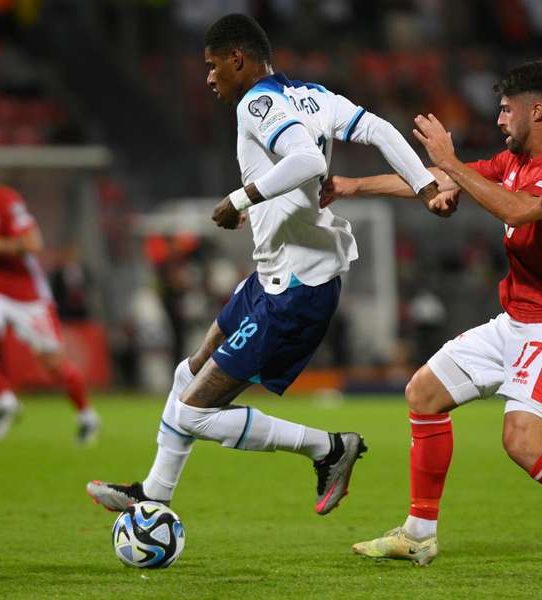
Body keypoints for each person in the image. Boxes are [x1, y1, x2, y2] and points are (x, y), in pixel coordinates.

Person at [86, 13, 445, 517]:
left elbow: (308, 161)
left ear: (238, 59)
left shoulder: (257, 103)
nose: (209, 77)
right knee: (183, 375)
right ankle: (155, 493)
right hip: (273, 276)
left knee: (193, 412)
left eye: (213, 66)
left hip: (294, 290)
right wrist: (424, 186)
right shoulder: (313, 94)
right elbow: (383, 130)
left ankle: (329, 448)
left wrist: (238, 199)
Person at [323, 60, 542, 579]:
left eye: (506, 110)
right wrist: (350, 186)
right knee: (423, 393)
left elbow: (518, 211)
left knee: (522, 442)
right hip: (517, 318)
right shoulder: (514, 160)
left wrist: (454, 165)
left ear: (537, 110)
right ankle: (418, 535)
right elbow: (433, 178)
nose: (499, 119)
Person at [0, 151, 100, 444]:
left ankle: (87, 416)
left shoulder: (7, 201)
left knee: (53, 364)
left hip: (26, 294)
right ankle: (6, 401)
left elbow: (33, 244)